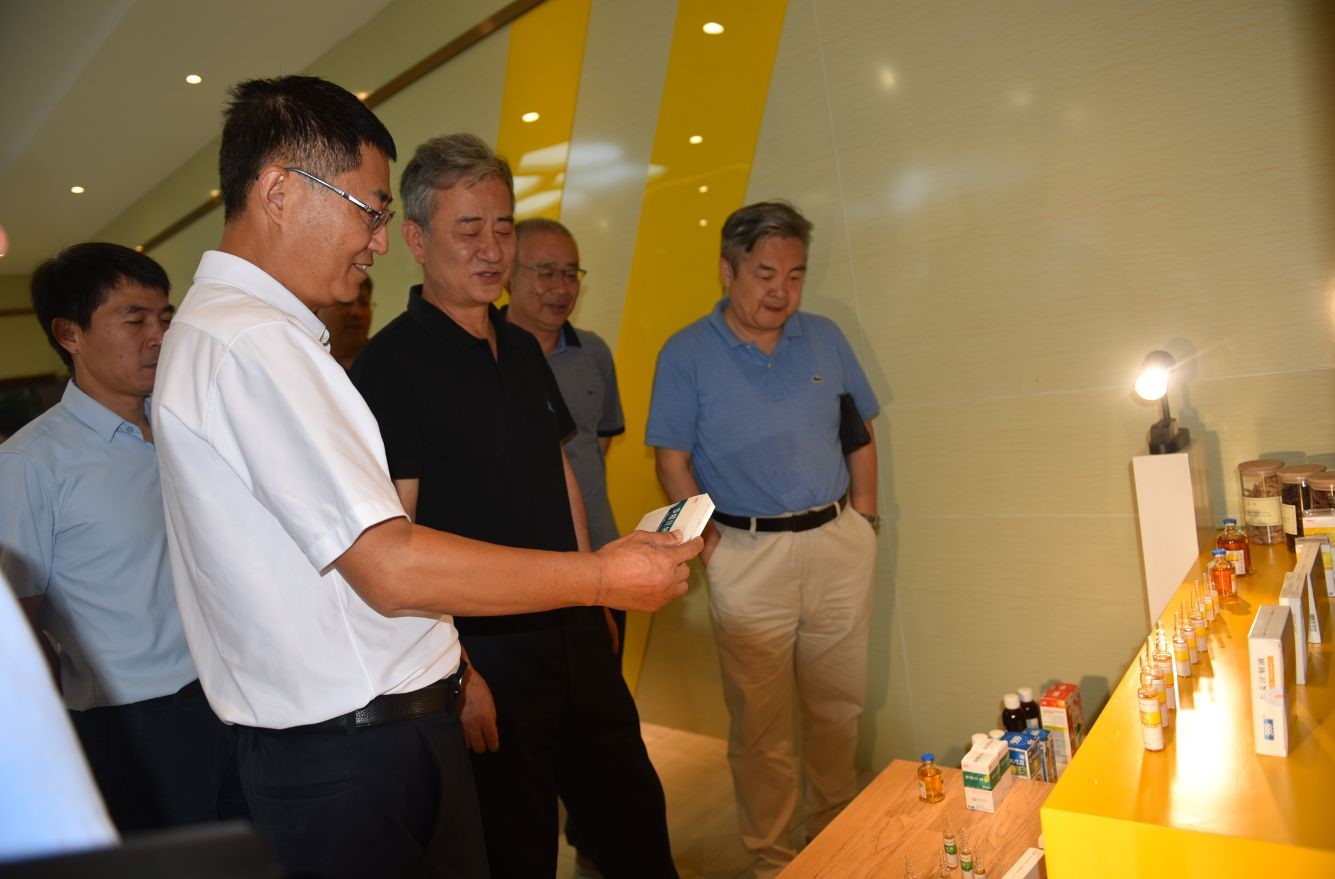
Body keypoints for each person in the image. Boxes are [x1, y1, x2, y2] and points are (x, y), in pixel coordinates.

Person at [151, 78, 699, 879]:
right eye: (367, 211)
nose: (373, 243)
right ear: (279, 191)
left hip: (374, 729)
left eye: (501, 227)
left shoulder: (251, 336)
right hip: (353, 745)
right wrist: (600, 578)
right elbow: (392, 562)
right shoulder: (254, 344)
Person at [351, 134, 675, 879]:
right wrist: (459, 674)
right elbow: (398, 543)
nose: (492, 249)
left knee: (633, 820)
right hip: (485, 654)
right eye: (469, 229)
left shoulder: (522, 346)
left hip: (574, 627)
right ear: (416, 240)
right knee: (516, 848)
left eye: (502, 227)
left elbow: (560, 470)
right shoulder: (389, 368)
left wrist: (593, 589)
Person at [646, 201, 880, 879]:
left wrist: (864, 518)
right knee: (761, 727)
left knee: (838, 708)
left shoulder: (825, 337)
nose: (781, 290)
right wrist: (711, 550)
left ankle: (836, 838)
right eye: (765, 274)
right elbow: (671, 461)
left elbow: (859, 433)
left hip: (836, 542)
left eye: (795, 275)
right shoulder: (686, 353)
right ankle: (774, 860)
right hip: (745, 554)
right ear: (728, 270)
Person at [0, 243, 244, 834]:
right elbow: (16, 627)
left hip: (233, 693)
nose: (158, 336)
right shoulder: (31, 463)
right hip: (135, 726)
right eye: (134, 321)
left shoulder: (186, 425)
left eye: (164, 317)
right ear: (70, 334)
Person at [502, 217, 629, 875]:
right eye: (544, 272)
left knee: (601, 732)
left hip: (603, 561)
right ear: (508, 274)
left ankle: (593, 848)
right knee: (528, 737)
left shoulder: (594, 352)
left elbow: (594, 447)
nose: (560, 287)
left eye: (570, 273)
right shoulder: (488, 351)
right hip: (523, 580)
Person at [316, 274, 374, 369]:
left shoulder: (387, 359)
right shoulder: (303, 360)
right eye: (346, 302)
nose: (357, 312)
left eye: (364, 303)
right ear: (317, 310)